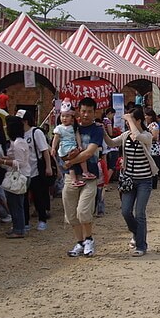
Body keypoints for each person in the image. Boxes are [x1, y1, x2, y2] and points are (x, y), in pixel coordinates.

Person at [104, 109, 158, 256]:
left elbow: (139, 136)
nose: (128, 124)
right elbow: (111, 142)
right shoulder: (126, 135)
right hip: (129, 179)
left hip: (144, 180)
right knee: (126, 211)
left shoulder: (147, 135)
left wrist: (129, 119)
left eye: (131, 120)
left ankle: (141, 245)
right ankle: (136, 232)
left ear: (138, 121)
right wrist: (102, 131)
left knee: (140, 212)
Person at [61, 97, 103, 257]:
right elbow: (60, 147)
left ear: (94, 112)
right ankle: (79, 242)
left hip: (89, 176)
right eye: (83, 111)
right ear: (78, 111)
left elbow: (89, 152)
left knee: (83, 210)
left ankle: (89, 239)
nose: (86, 115)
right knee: (71, 213)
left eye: (89, 112)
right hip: (71, 176)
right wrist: (65, 160)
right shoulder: (69, 127)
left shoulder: (97, 129)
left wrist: (70, 161)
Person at [0, 116, 30, 238]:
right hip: (20, 175)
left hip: (19, 176)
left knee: (16, 204)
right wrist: (4, 159)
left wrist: (3, 162)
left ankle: (19, 229)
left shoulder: (18, 143)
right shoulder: (19, 142)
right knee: (16, 204)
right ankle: (17, 227)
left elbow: (20, 163)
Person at [19, 110, 53, 232]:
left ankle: (42, 219)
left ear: (25, 121)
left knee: (39, 196)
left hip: (36, 170)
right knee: (24, 198)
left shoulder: (36, 132)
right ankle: (26, 222)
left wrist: (48, 167)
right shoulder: (19, 134)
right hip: (23, 172)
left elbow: (44, 150)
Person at [52, 99, 95, 188]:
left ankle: (74, 180)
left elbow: (77, 136)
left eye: (67, 116)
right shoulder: (59, 128)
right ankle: (85, 172)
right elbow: (55, 139)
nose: (64, 118)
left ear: (72, 118)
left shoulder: (73, 127)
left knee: (73, 163)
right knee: (81, 156)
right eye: (62, 116)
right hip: (65, 149)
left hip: (71, 147)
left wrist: (79, 145)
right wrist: (53, 148)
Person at [144, 108, 160, 188]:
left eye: (146, 115)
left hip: (153, 149)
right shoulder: (149, 125)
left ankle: (154, 184)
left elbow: (154, 137)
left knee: (153, 166)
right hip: (150, 148)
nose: (145, 117)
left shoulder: (154, 125)